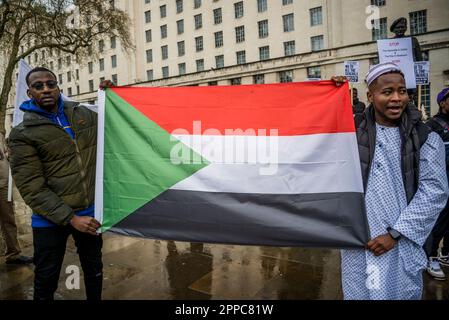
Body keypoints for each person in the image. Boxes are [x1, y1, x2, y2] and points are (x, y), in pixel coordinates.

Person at [333, 62, 448, 300]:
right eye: (387, 92)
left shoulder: (426, 137)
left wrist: (395, 235)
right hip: (358, 241)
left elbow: (434, 192)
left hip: (400, 244)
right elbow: (318, 135)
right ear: (370, 96)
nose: (397, 98)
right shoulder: (350, 131)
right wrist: (332, 96)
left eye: (402, 91)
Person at [7, 67, 103, 300]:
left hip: (90, 213)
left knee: (94, 272)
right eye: (38, 86)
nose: (46, 89)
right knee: (46, 279)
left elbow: (116, 120)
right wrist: (71, 219)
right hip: (48, 221)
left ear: (59, 86)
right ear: (30, 93)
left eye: (51, 84)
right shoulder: (22, 134)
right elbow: (32, 188)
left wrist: (110, 96)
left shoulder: (83, 114)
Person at [424, 87, 449, 280]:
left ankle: (446, 253)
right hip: (443, 182)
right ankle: (431, 256)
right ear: (442, 103)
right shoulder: (432, 125)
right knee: (439, 222)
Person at [0, 132, 33, 265]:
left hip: (3, 183)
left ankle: (13, 253)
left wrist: (9, 153)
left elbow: (5, 154)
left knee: (9, 219)